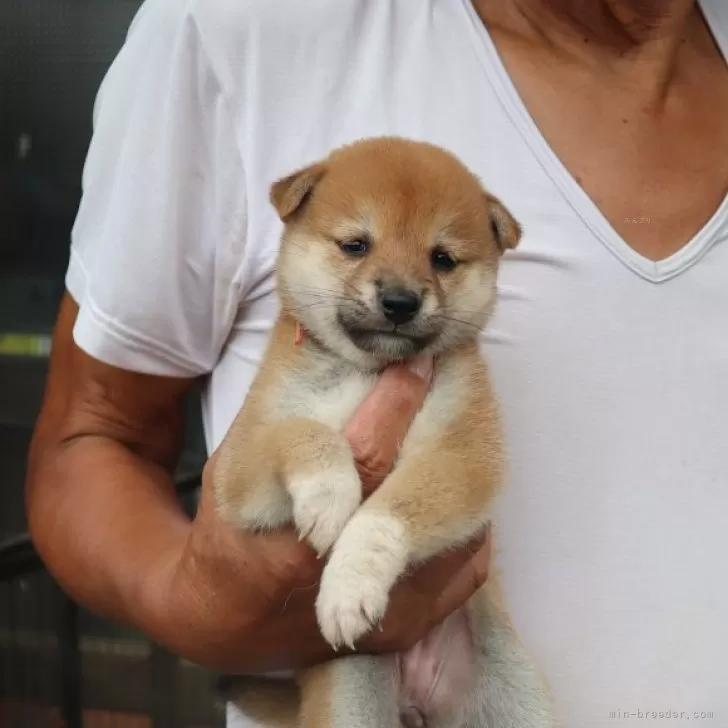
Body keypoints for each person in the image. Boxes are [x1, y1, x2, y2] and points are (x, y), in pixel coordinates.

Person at [26, 0, 728, 726]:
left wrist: (385, 531)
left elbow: (471, 470)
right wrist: (200, 606)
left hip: (487, 664)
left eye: (444, 260)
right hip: (353, 666)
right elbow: (96, 434)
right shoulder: (240, 29)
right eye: (355, 246)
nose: (399, 289)